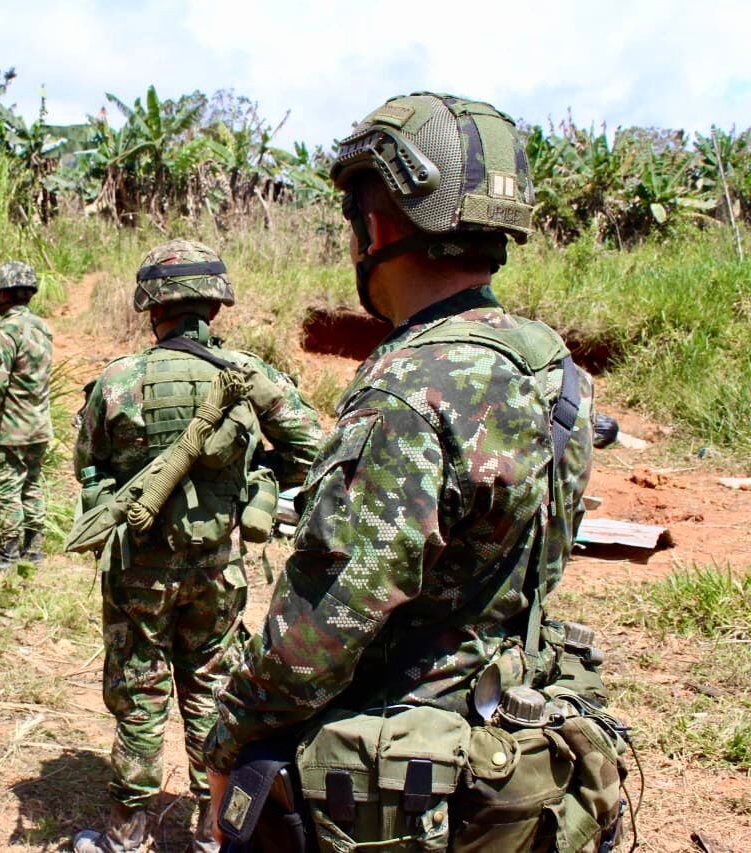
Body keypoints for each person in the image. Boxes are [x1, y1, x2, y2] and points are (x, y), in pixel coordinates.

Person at [205, 94, 623, 851]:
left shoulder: (409, 392)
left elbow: (317, 634)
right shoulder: (552, 366)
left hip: (405, 787)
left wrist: (228, 741)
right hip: (508, 752)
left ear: (378, 225)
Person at [72, 240, 323, 853]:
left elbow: (90, 470)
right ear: (215, 301)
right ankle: (217, 831)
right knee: (211, 687)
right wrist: (259, 479)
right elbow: (313, 452)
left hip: (139, 571)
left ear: (149, 304)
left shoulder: (117, 379)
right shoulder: (248, 376)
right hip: (217, 569)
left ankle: (125, 833)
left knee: (138, 689)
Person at [0, 261, 53, 570]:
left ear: (3, 295)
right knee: (31, 486)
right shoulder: (41, 328)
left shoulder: (3, 333)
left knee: (4, 489)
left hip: (9, 429)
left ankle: (6, 554)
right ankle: (33, 550)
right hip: (38, 425)